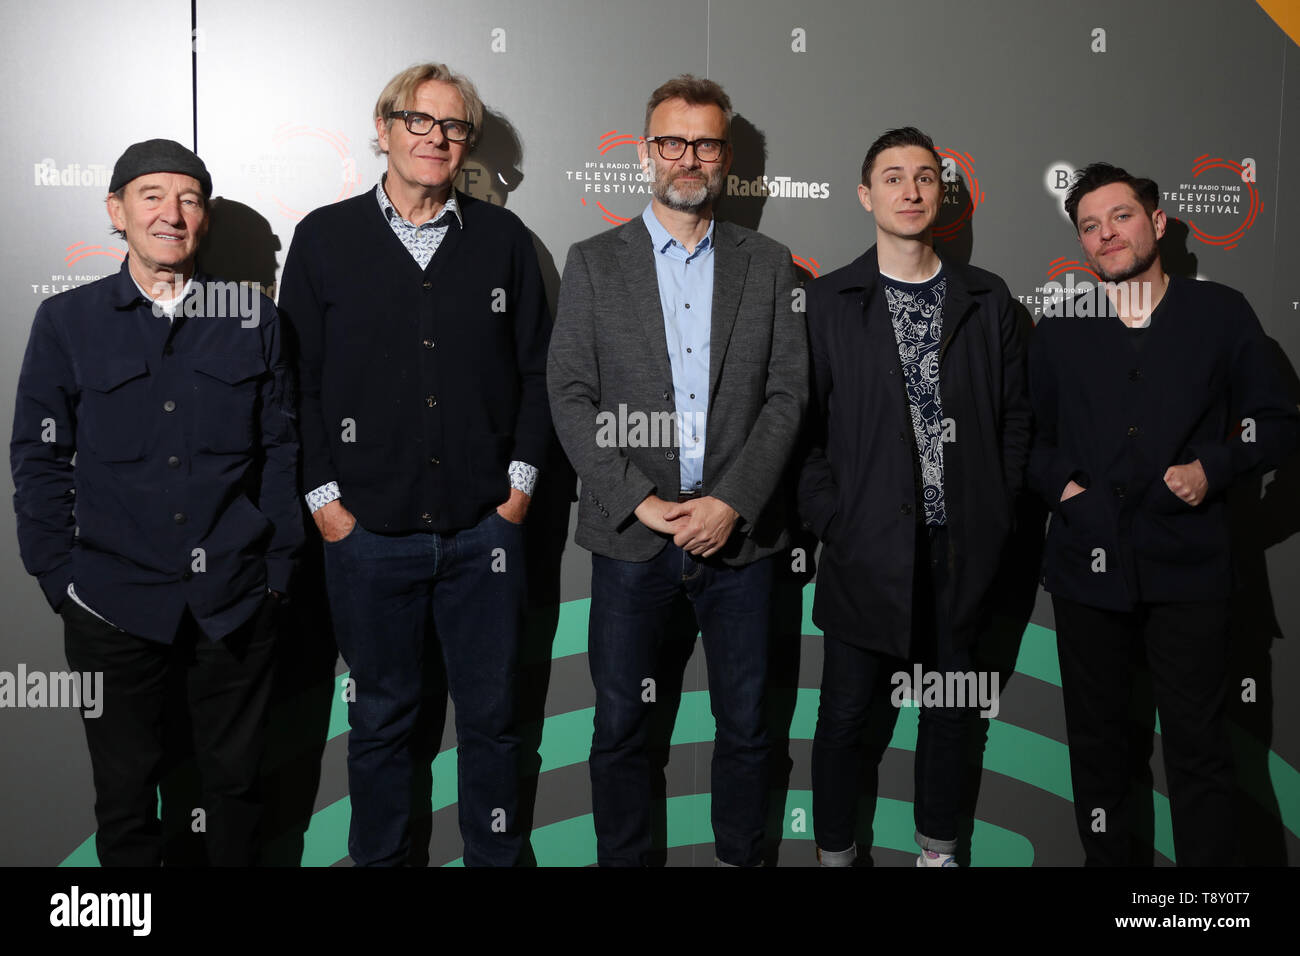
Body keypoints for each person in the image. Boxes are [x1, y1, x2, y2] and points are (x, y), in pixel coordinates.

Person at [277, 63, 552, 867]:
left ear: (469, 141)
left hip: (485, 535)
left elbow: (540, 372)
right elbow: (299, 381)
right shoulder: (326, 238)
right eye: (419, 122)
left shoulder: (502, 242)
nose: (436, 139)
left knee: (495, 723)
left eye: (454, 126)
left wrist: (519, 492)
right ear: (385, 129)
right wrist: (328, 503)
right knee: (382, 723)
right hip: (366, 538)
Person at [11, 139, 300, 865]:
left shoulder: (255, 320)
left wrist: (276, 575)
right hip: (111, 603)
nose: (171, 214)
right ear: (116, 210)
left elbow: (283, 452)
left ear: (204, 217)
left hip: (235, 599)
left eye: (190, 198)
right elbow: (38, 456)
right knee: (126, 801)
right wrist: (59, 578)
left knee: (236, 795)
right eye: (151, 196)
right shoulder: (66, 322)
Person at [547, 75, 807, 867]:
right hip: (633, 544)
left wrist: (731, 501)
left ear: (725, 157)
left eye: (704, 143)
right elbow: (570, 393)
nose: (687, 158)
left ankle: (741, 859)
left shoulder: (768, 264)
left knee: (749, 726)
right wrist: (643, 502)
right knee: (622, 727)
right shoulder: (593, 263)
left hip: (743, 543)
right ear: (645, 153)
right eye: (671, 141)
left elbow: (789, 395)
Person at [1029, 162, 1299, 865]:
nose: (1106, 234)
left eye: (1119, 217)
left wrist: (1217, 465)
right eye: (1090, 226)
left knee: (1200, 754)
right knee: (1098, 754)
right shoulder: (1061, 326)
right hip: (1089, 573)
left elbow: (1276, 422)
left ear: (1157, 223)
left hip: (1192, 574)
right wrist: (1067, 492)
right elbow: (1027, 436)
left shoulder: (1222, 313)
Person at [797, 127, 1030, 867]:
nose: (911, 190)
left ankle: (938, 852)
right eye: (893, 178)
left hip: (960, 555)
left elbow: (1016, 418)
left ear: (942, 194)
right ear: (867, 195)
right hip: (865, 553)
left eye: (925, 177)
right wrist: (836, 519)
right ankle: (835, 853)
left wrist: (995, 513)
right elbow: (801, 430)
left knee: (952, 718)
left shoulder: (988, 300)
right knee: (842, 719)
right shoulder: (830, 301)